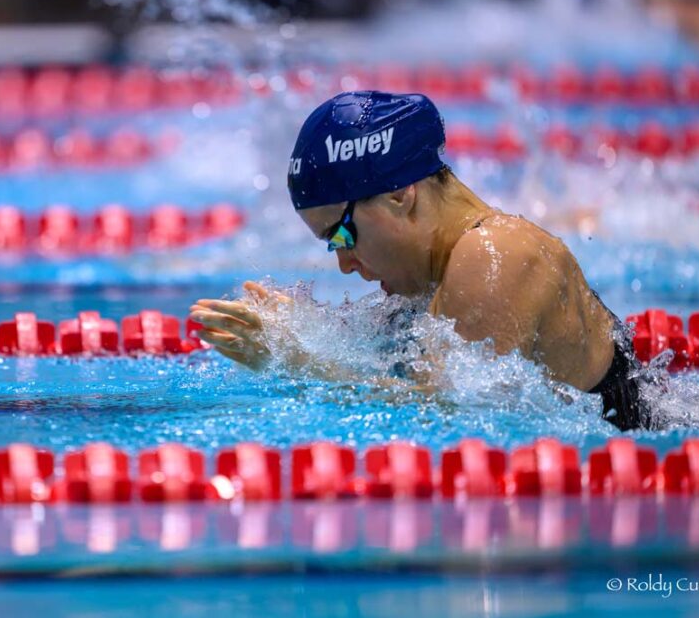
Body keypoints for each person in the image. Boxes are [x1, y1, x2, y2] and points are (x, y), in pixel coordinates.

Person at [189, 91, 650, 430]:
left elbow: (453, 415)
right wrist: (305, 333)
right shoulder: (439, 272)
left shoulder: (495, 254)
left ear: (398, 195)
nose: (345, 264)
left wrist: (301, 364)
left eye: (343, 234)